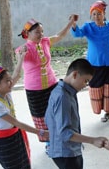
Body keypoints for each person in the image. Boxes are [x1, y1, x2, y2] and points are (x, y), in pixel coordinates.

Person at [16, 16, 76, 153]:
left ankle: (61, 137)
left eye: (42, 31)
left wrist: (70, 23)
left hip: (52, 85)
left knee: (57, 113)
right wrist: (21, 55)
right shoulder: (24, 48)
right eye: (37, 32)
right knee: (41, 117)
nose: (41, 34)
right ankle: (49, 142)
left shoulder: (45, 42)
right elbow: (19, 58)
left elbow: (60, 35)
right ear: (28, 34)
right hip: (34, 90)